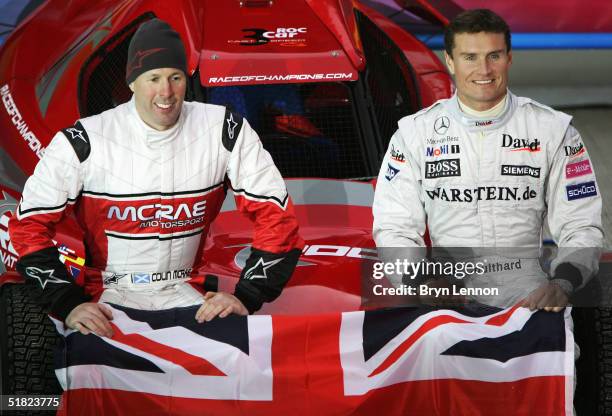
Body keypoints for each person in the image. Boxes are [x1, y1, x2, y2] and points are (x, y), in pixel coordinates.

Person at [8, 18, 303, 338]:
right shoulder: (83, 140)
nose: (166, 92)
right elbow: (28, 227)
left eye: (175, 77)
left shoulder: (225, 129)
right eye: (154, 78)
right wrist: (66, 303)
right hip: (107, 300)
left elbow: (279, 219)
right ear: (132, 82)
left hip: (190, 293)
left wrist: (247, 296)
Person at [373, 9, 603, 310]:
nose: (483, 70)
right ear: (450, 62)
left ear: (509, 58)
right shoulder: (413, 134)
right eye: (470, 57)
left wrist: (563, 282)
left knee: (563, 350)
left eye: (493, 56)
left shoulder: (554, 131)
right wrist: (421, 282)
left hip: (531, 295)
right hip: (446, 292)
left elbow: (581, 223)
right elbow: (394, 227)